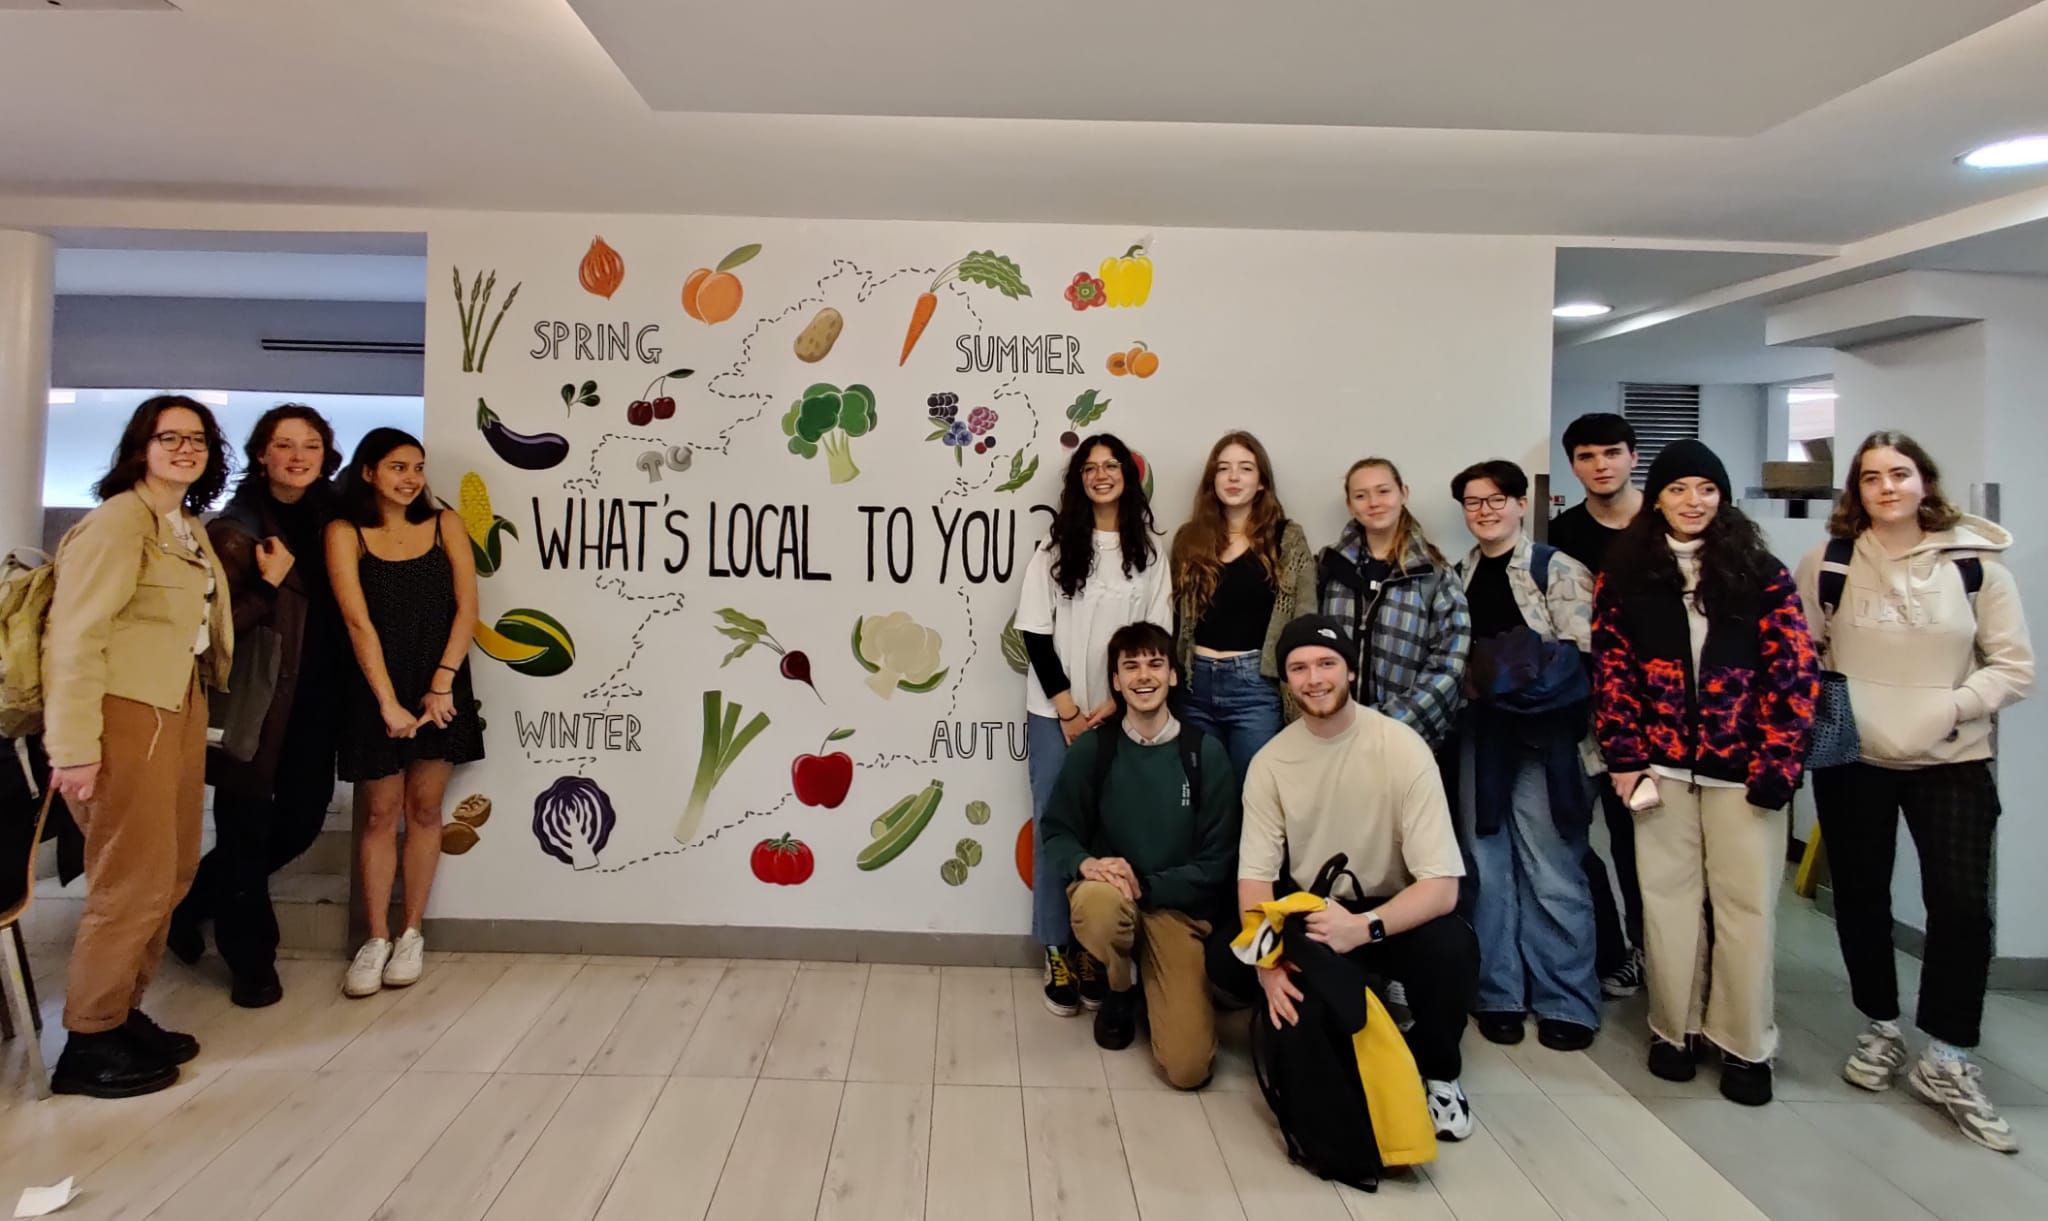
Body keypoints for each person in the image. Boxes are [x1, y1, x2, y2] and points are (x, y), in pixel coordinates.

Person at [1795, 431, 2033, 1153]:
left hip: (1951, 757)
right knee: (1860, 896)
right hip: (1853, 756)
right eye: (1871, 477)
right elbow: (1803, 653)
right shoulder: (1830, 562)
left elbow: (2014, 666)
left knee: (1960, 905)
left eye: (1899, 474)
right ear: (1856, 490)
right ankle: (1881, 1025)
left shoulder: (1976, 566)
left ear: (1924, 481)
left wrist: (1952, 707)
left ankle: (1948, 1054)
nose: (1887, 488)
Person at [1592, 439, 1818, 1106]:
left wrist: (1778, 763)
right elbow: (1612, 672)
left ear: (1723, 498)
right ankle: (1675, 1029)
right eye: (1678, 489)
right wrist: (1625, 757)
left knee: (1747, 906)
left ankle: (1744, 1042)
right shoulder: (1626, 574)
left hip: (1743, 773)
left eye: (1706, 489)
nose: (1693, 501)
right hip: (1658, 769)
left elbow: (1793, 673)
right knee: (1667, 901)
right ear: (1657, 499)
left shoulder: (1761, 574)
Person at [43, 395, 235, 1097]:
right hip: (125, 713)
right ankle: (88, 1038)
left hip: (175, 704)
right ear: (139, 447)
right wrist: (74, 748)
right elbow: (74, 638)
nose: (186, 449)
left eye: (198, 439)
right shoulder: (118, 522)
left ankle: (121, 1012)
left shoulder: (182, 524)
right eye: (170, 437)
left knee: (172, 870)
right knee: (130, 877)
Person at [1238, 614, 1481, 1141]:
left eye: (1326, 664)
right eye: (1299, 668)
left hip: (1392, 912)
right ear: (1286, 680)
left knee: (1452, 947)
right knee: (1296, 1023)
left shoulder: (1402, 747)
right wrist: (1266, 966)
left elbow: (1442, 886)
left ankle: (1440, 1073)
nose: (1314, 679)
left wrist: (1365, 928)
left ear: (1351, 670)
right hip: (1318, 915)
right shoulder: (1271, 762)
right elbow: (1255, 881)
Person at [168, 405, 344, 1009]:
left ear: (326, 457)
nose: (298, 457)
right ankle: (251, 963)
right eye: (284, 445)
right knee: (245, 829)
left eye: (311, 446)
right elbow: (210, 634)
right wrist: (268, 585)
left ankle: (192, 901)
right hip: (256, 703)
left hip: (316, 699)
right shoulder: (234, 531)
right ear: (262, 455)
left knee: (302, 821)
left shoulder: (334, 519)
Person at [1038, 622, 1239, 1086]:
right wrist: (1087, 864)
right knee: (1097, 905)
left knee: (1188, 1068)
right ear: (1116, 680)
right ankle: (1119, 986)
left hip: (1176, 912)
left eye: (1155, 664)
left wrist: (1148, 885)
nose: (1143, 676)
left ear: (1173, 675)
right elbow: (1058, 830)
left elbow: (1217, 861)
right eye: (1130, 667)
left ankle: (1156, 984)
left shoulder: (1204, 754)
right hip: (1112, 898)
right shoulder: (1095, 748)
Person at [1016, 433, 1171, 1016]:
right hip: (1053, 713)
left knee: (1108, 828)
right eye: (1090, 467)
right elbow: (1035, 633)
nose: (1101, 475)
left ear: (1128, 477)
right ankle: (1057, 949)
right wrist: (1068, 711)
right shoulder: (1055, 549)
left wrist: (1112, 704)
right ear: (1079, 480)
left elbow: (1155, 640)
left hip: (1120, 712)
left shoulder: (1150, 554)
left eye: (1111, 466)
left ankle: (1091, 949)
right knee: (1055, 825)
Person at [1451, 460, 1602, 1051]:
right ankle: (1499, 994)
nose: (1484, 512)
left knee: (1551, 865)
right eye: (1473, 502)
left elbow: (1584, 657)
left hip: (1547, 737)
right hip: (1482, 735)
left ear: (1520, 504)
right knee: (1486, 864)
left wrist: (1513, 684)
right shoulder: (1459, 572)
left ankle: (1566, 999)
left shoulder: (1555, 568)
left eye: (1496, 500)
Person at [327, 428, 483, 999]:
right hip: (375, 687)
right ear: (368, 472)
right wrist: (387, 702)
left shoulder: (446, 525)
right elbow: (357, 622)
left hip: (440, 683)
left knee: (424, 808)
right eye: (397, 467)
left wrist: (442, 684)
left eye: (417, 467)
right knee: (378, 812)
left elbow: (467, 608)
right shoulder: (345, 532)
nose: (411, 478)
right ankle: (374, 938)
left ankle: (411, 932)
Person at [1550, 412, 1648, 1000]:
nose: (1600, 465)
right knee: (1573, 838)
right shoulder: (1563, 535)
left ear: (1632, 456)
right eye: (1587, 456)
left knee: (1643, 844)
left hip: (1657, 717)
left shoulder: (1666, 521)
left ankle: (1656, 951)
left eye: (1611, 453)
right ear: (1573, 466)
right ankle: (1615, 951)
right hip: (1586, 714)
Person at [1170, 431, 1316, 781]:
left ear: (1261, 482)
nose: (1233, 477)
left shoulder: (1286, 538)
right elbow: (1175, 619)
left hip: (1255, 687)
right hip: (1194, 684)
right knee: (1202, 793)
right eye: (1224, 468)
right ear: (1212, 480)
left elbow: (1305, 616)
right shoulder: (1189, 539)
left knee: (1255, 792)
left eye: (1246, 468)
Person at [1316, 457, 1470, 757]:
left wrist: (1388, 723)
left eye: (1383, 491)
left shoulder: (1435, 574)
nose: (1374, 503)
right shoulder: (1327, 567)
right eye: (1361, 495)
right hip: (1333, 733)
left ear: (1404, 493)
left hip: (1404, 739)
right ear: (1350, 505)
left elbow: (1450, 663)